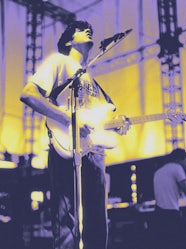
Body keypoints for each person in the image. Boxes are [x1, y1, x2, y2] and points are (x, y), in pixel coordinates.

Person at [20, 20, 129, 249]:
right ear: (69, 40)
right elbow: (29, 95)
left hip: (94, 151)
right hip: (66, 144)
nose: (89, 29)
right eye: (80, 29)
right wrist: (69, 120)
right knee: (66, 218)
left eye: (90, 28)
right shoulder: (60, 62)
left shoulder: (92, 81)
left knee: (97, 222)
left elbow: (99, 121)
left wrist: (117, 125)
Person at [153, 148, 186, 249]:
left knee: (168, 244)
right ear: (179, 159)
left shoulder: (159, 171)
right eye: (185, 160)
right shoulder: (177, 168)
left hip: (159, 212)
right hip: (171, 212)